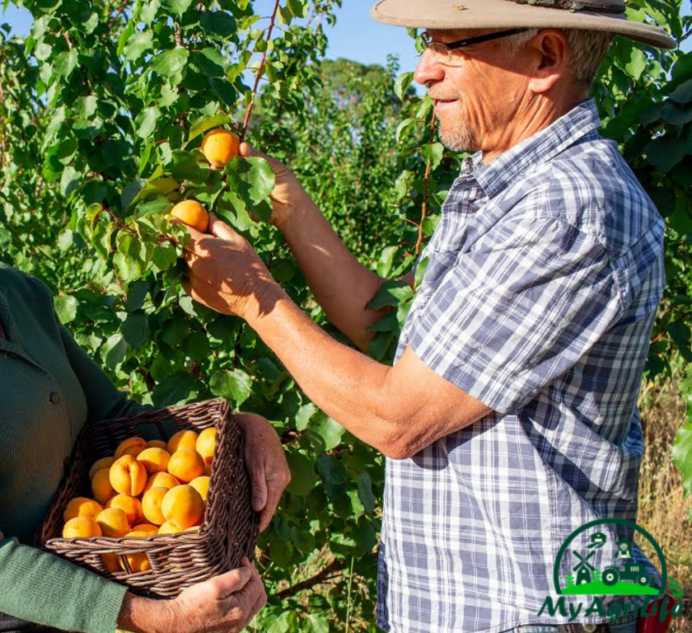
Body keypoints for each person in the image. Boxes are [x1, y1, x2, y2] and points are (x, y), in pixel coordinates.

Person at [181, 2, 676, 632]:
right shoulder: (500, 182)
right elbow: (390, 329)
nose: (422, 70)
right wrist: (284, 198)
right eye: (427, 42)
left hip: (516, 611)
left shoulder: (566, 211)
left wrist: (255, 298)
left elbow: (399, 416)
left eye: (451, 45)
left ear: (545, 58)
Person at [0, 77, 289, 633]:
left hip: (83, 598)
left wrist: (245, 428)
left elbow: (113, 421)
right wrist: (157, 616)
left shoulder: (16, 292)